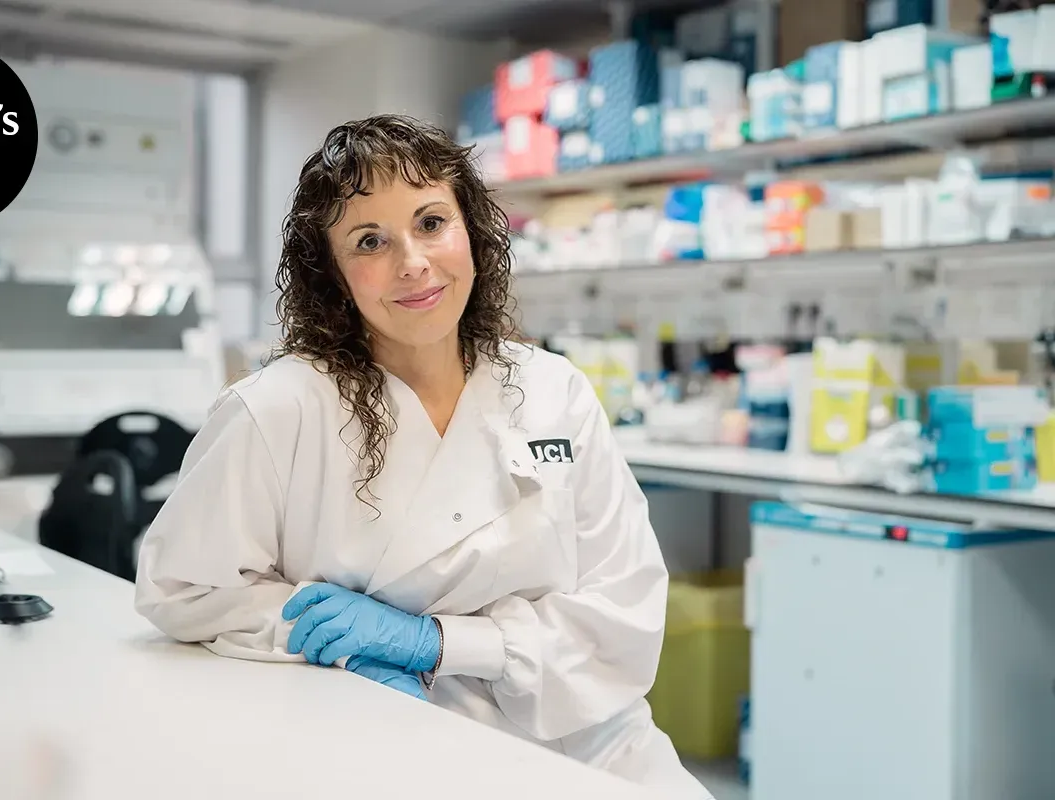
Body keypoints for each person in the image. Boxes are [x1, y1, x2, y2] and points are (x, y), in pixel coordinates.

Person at [134, 114, 712, 798]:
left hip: (599, 744)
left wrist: (438, 642)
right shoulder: (279, 408)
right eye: (370, 240)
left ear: (471, 229)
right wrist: (331, 645)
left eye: (432, 222)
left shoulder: (554, 390)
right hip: (396, 742)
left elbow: (626, 608)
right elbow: (184, 590)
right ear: (332, 273)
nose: (412, 261)